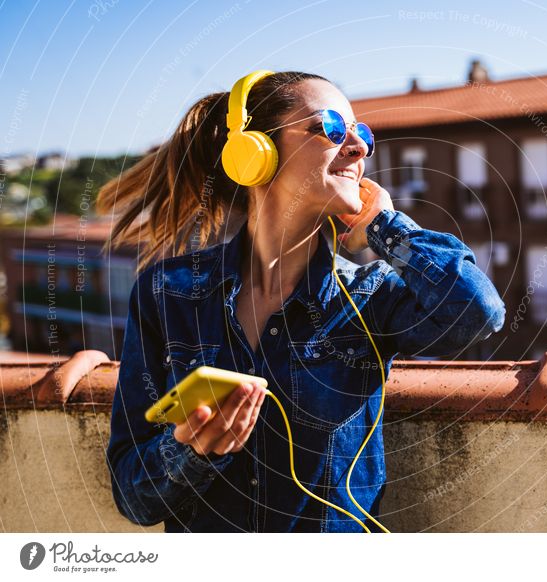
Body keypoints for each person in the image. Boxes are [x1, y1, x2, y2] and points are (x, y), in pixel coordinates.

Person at [99, 70, 506, 533]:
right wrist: (190, 451)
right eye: (331, 128)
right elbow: (133, 497)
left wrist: (385, 223)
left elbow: (477, 310)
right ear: (256, 153)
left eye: (363, 135)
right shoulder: (168, 294)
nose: (358, 148)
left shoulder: (367, 298)